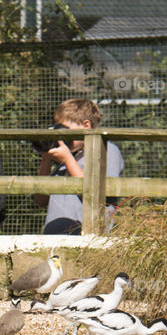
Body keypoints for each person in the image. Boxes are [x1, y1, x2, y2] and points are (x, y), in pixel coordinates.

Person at [33, 98, 124, 235]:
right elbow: (41, 200)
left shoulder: (106, 150)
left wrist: (68, 160)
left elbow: (99, 194)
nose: (61, 135)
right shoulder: (67, 157)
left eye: (65, 130)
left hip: (89, 238)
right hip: (54, 239)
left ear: (86, 125)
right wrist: (46, 160)